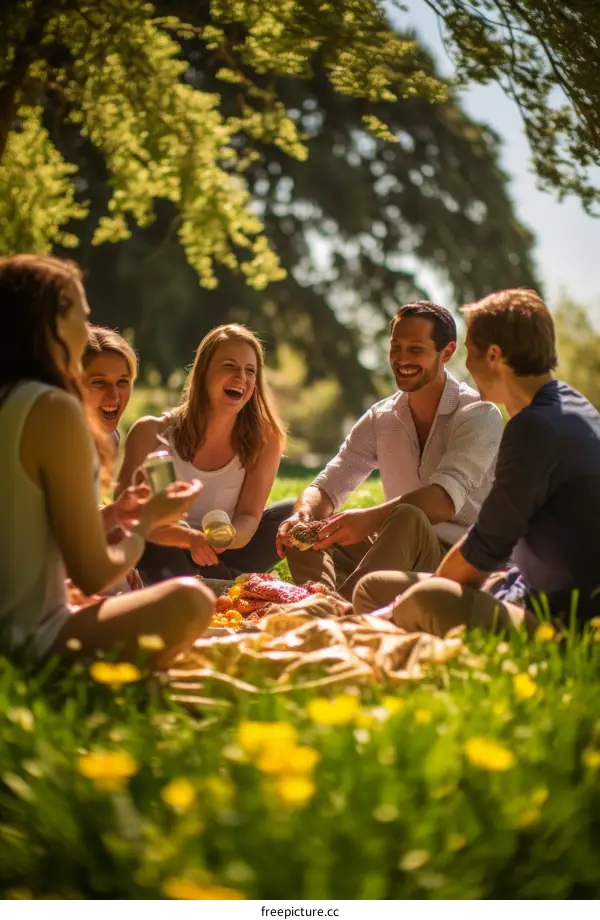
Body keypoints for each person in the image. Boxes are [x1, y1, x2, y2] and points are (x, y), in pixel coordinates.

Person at [0, 254, 214, 668]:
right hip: (29, 642)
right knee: (190, 600)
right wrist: (150, 519)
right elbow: (94, 574)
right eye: (82, 317)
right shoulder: (53, 409)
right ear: (50, 324)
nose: (87, 332)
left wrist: (116, 512)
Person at [353, 288, 600, 634]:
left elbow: (486, 547)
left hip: (558, 620)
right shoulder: (569, 406)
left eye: (469, 351)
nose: (465, 365)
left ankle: (377, 631)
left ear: (495, 355)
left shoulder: (534, 428)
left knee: (419, 600)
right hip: (522, 587)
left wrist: (403, 605)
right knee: (373, 587)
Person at [276, 301, 504, 600]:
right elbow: (329, 485)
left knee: (408, 516)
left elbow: (443, 501)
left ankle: (341, 611)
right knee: (305, 531)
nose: (401, 359)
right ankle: (319, 600)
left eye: (416, 349)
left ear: (446, 353)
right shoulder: (381, 417)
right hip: (394, 550)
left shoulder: (479, 414)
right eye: (396, 347)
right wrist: (303, 515)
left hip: (459, 561)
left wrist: (368, 520)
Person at [117, 324, 294, 584]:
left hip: (225, 552)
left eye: (250, 371)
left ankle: (214, 580)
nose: (241, 378)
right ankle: (221, 584)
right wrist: (186, 538)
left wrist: (225, 538)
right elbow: (125, 515)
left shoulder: (266, 440)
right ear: (203, 372)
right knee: (159, 543)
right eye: (230, 366)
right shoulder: (151, 432)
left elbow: (248, 516)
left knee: (293, 511)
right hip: (164, 547)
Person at [81, 325, 143, 593]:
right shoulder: (57, 439)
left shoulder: (110, 438)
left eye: (122, 382)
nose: (114, 397)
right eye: (99, 383)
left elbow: (87, 508)